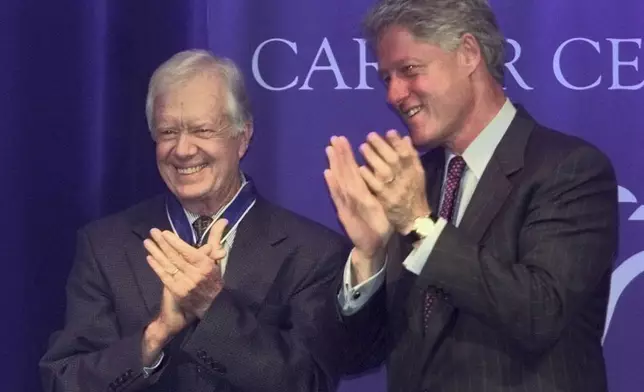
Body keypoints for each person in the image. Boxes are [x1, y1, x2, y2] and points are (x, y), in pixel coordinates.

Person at [324, 0, 619, 391]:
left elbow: (539, 312)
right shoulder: (412, 184)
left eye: (409, 70)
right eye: (386, 78)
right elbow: (358, 356)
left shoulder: (570, 170)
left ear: (468, 53)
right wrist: (370, 257)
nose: (393, 94)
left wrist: (419, 226)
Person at [40, 49, 348, 392]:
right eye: (168, 132)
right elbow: (63, 381)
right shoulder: (104, 246)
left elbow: (309, 384)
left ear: (242, 137)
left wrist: (213, 308)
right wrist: (153, 338)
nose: (183, 150)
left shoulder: (313, 253)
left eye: (202, 130)